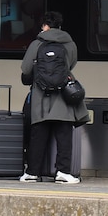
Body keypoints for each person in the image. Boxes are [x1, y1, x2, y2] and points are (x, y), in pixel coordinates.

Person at [20, 11, 89, 184]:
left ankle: (32, 173)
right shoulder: (69, 43)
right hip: (63, 97)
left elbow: (26, 68)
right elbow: (71, 64)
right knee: (64, 136)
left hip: (40, 97)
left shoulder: (36, 43)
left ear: (45, 26)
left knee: (38, 136)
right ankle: (63, 173)